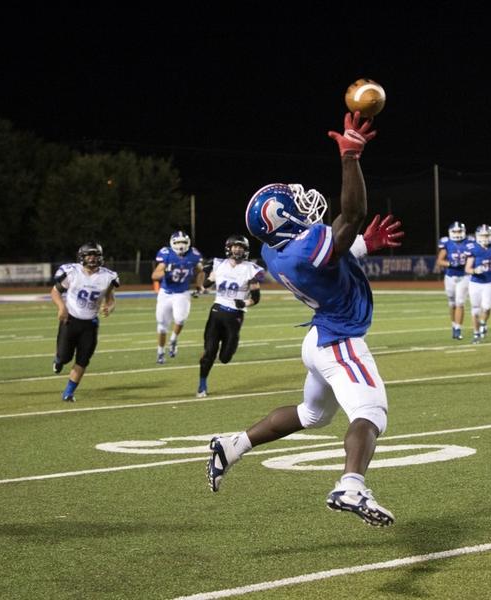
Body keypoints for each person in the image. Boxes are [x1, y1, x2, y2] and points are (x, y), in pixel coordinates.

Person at [206, 111, 404, 527]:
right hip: (339, 340)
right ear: (283, 219)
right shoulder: (302, 249)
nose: (302, 203)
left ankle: (234, 444)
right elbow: (351, 215)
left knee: (313, 415)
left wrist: (363, 245)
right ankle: (351, 486)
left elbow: (335, 253)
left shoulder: (274, 251)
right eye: (293, 203)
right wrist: (350, 157)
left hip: (318, 340)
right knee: (371, 412)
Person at [196, 234, 265, 398]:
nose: (238, 250)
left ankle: (223, 354)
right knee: (209, 352)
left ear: (245, 250)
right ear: (229, 248)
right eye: (235, 246)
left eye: (241, 247)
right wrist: (206, 279)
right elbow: (206, 284)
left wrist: (244, 303)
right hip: (217, 312)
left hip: (235, 316)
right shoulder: (218, 264)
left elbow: (255, 298)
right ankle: (202, 385)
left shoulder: (251, 269)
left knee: (225, 357)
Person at [50, 242, 119, 402]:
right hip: (70, 320)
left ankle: (68, 393)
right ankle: (59, 359)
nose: (92, 258)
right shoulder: (72, 272)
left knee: (83, 359)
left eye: (95, 255)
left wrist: (109, 307)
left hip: (90, 324)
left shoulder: (108, 277)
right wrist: (61, 307)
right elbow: (55, 292)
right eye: (89, 255)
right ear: (82, 257)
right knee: (65, 357)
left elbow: (110, 298)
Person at [151, 230, 204, 364]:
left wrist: (199, 285)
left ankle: (174, 339)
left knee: (180, 319)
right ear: (172, 243)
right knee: (162, 326)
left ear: (188, 243)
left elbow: (201, 271)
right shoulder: (166, 254)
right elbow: (155, 276)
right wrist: (166, 270)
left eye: (183, 242)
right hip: (166, 293)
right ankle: (160, 352)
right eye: (178, 242)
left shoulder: (193, 255)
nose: (181, 245)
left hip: (182, 293)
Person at [464, 224, 491, 343]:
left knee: (487, 308)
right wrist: (475, 270)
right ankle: (476, 333)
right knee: (475, 310)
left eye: (487, 235)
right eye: (482, 235)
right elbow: (467, 269)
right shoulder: (473, 248)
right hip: (475, 283)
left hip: (489, 283)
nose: (485, 238)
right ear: (477, 236)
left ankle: (483, 322)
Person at [436, 221, 470, 340]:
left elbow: (474, 258)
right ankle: (454, 325)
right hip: (450, 277)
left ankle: (458, 329)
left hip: (464, 276)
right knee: (452, 303)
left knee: (460, 302)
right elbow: (439, 261)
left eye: (459, 231)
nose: (457, 233)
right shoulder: (447, 243)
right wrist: (450, 263)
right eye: (455, 231)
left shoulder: (470, 243)